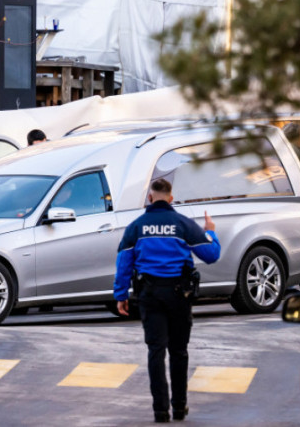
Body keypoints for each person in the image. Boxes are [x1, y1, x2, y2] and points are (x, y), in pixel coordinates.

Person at [114, 178, 220, 423]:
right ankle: (180, 407)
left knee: (156, 351)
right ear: (171, 199)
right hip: (179, 296)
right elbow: (212, 255)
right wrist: (210, 230)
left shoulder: (136, 227)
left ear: (149, 198)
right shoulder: (184, 225)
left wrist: (120, 295)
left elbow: (123, 264)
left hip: (149, 296)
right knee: (179, 352)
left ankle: (160, 411)